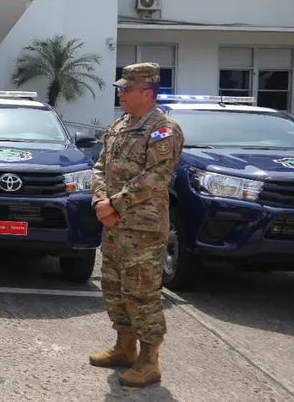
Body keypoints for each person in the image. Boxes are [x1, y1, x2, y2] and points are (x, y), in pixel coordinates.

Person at [88, 62, 184, 388]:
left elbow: (155, 177)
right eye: (120, 88)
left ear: (147, 92)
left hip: (143, 229)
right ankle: (124, 348)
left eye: (126, 89)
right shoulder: (119, 126)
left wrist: (114, 204)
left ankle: (149, 362)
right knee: (113, 288)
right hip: (113, 225)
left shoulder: (163, 130)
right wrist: (100, 203)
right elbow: (100, 166)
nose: (120, 93)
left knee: (141, 294)